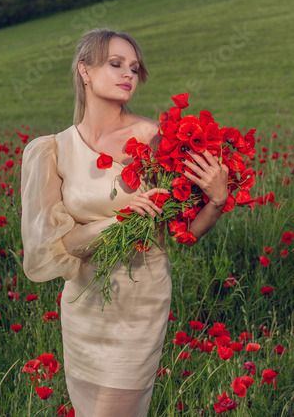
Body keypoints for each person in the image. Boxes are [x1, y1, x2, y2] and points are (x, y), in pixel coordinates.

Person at [20, 28, 229, 417]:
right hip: (83, 303)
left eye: (134, 67)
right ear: (84, 70)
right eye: (115, 64)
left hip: (140, 301)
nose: (128, 74)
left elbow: (181, 235)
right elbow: (56, 245)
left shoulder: (153, 138)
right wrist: (121, 219)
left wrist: (216, 201)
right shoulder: (52, 150)